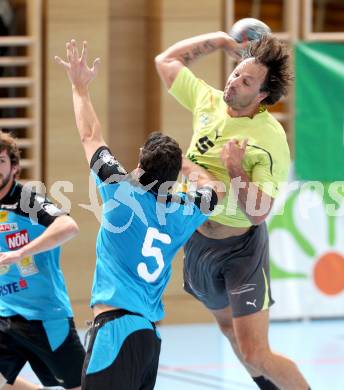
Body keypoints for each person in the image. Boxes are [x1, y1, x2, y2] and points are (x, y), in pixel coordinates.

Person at [55, 39, 222, 390]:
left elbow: (89, 135)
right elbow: (213, 193)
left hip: (114, 331)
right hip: (149, 340)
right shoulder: (182, 212)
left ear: (140, 162)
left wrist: (79, 86)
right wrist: (192, 169)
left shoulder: (119, 191)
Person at [156, 32, 311, 390]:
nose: (233, 81)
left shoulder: (269, 139)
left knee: (256, 353)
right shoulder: (208, 101)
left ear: (261, 96)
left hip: (241, 251)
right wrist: (219, 40)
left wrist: (237, 170)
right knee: (228, 331)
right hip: (198, 243)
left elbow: (259, 213)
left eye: (246, 80)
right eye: (235, 72)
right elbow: (165, 62)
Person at [0, 131, 85, 390]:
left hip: (45, 317)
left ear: (14, 167)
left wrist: (20, 253)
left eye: (0, 160)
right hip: (5, 315)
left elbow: (69, 226)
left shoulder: (26, 200)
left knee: (80, 386)